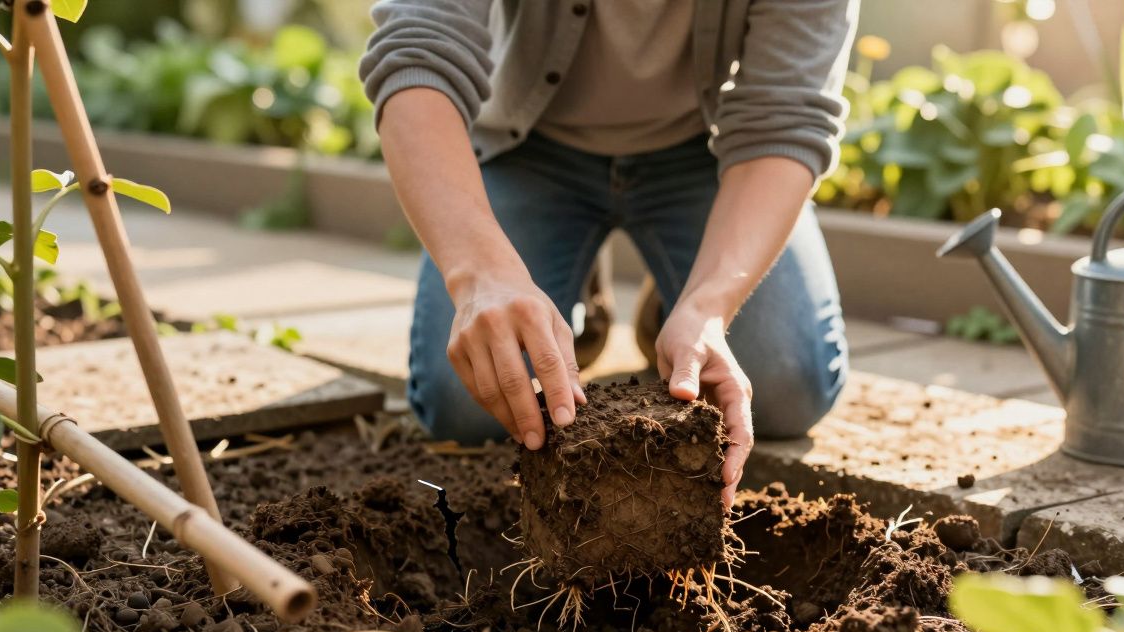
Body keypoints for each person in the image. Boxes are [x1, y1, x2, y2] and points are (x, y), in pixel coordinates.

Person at [360, 0, 857, 507]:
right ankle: (574, 286)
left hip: (700, 155)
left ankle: (674, 301)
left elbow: (786, 117)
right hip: (530, 150)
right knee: (466, 405)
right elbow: (417, 52)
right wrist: (482, 274)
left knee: (785, 385)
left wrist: (708, 305)